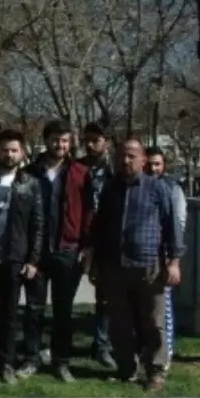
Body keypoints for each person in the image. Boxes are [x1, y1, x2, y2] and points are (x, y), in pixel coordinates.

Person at [85, 139, 183, 392]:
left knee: (153, 322)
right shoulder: (110, 189)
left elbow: (173, 228)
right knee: (120, 322)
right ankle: (126, 369)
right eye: (121, 156)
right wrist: (94, 260)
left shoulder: (158, 189)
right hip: (115, 266)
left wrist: (174, 262)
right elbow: (99, 226)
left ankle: (156, 372)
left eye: (131, 156)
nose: (125, 161)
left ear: (142, 159)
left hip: (150, 266)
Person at [25, 120, 92, 382]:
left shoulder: (79, 172)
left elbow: (89, 212)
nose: (60, 145)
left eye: (65, 140)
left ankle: (61, 362)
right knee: (34, 309)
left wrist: (86, 245)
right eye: (55, 139)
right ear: (46, 140)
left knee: (63, 311)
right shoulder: (31, 172)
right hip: (37, 253)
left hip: (68, 250)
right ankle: (31, 358)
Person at [0, 129, 43, 383]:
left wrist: (33, 259)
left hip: (13, 259)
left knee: (9, 315)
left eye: (14, 150)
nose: (9, 154)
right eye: (5, 149)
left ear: (22, 152)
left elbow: (38, 224)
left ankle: (6, 363)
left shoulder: (30, 183)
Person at [145, 146, 186, 367]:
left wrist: (174, 260)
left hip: (165, 255)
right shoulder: (140, 186)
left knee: (164, 309)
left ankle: (166, 352)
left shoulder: (172, 189)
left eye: (157, 164)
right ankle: (147, 350)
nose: (152, 168)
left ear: (164, 166)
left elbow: (178, 224)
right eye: (149, 163)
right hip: (144, 257)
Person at [80, 121, 115, 367]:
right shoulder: (78, 167)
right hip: (78, 236)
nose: (91, 145)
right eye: (87, 140)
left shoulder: (114, 169)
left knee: (106, 296)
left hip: (106, 240)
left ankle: (102, 344)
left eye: (96, 140)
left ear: (107, 142)